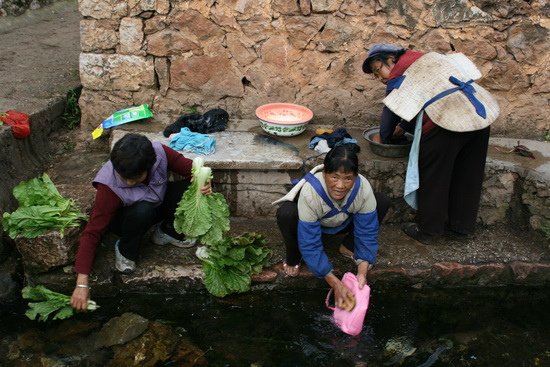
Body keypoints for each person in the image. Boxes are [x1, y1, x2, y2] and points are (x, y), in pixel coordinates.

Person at [362, 43, 499, 244]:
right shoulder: (428, 58)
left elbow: (388, 120)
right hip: (478, 116)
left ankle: (429, 230)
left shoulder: (399, 72)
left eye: (377, 69)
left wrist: (387, 137)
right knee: (468, 174)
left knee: (434, 176)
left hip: (445, 124)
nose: (379, 77)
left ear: (391, 59)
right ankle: (461, 227)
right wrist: (404, 126)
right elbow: (425, 97)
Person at [70, 133, 211, 311]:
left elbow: (193, 170)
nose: (129, 182)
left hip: (154, 204)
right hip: (127, 219)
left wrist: (205, 183)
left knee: (190, 187)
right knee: (141, 211)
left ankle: (167, 231)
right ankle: (126, 250)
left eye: (136, 177)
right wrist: (81, 283)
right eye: (125, 178)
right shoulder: (108, 185)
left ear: (149, 166)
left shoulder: (159, 154)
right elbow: (92, 232)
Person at [275, 145, 390, 311]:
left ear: (356, 177)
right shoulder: (311, 192)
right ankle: (295, 255)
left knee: (382, 201)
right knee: (286, 213)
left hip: (343, 222)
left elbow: (367, 232)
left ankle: (348, 246)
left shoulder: (362, 188)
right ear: (325, 174)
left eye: (348, 179)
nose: (341, 185)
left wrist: (362, 272)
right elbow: (310, 242)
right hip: (313, 226)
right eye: (334, 177)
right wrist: (335, 282)